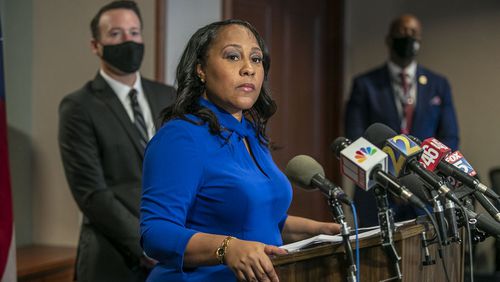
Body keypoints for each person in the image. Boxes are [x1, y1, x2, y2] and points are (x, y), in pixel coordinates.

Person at [140, 19, 341, 282]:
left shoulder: (251, 134)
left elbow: (263, 219)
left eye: (256, 59)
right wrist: (227, 248)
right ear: (201, 69)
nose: (248, 69)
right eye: (233, 56)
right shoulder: (181, 137)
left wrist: (321, 232)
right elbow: (155, 232)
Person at [58, 1, 176, 281]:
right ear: (95, 45)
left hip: (173, 253)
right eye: (116, 34)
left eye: (134, 32)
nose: (128, 41)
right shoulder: (79, 106)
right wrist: (146, 243)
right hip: (113, 259)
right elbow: (92, 193)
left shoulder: (168, 97)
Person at [344, 14, 459, 227]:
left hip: (426, 191)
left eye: (413, 34)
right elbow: (355, 140)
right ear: (389, 39)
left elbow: (449, 137)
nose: (407, 38)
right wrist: (392, 182)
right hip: (377, 192)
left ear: (420, 41)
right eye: (402, 33)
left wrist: (420, 179)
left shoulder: (438, 85)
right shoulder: (364, 85)